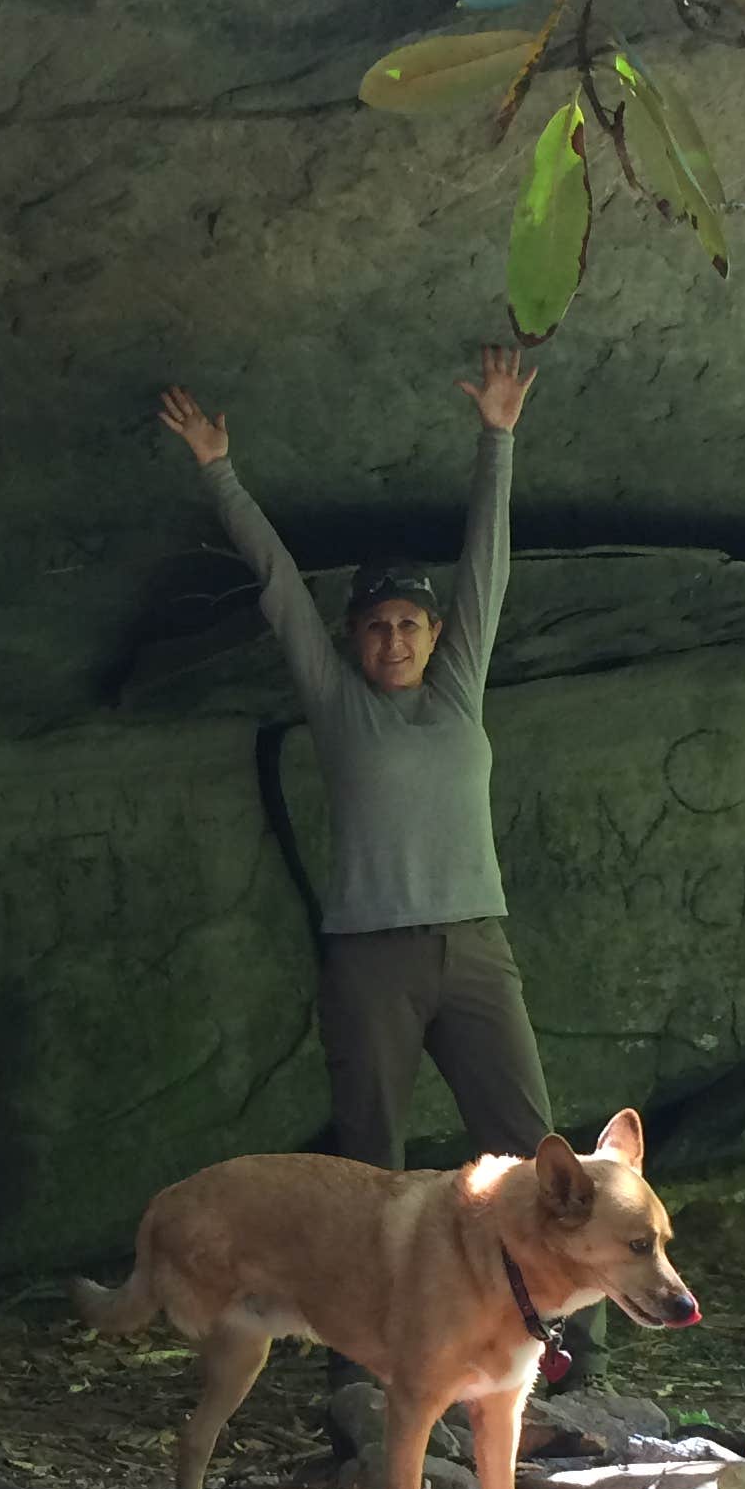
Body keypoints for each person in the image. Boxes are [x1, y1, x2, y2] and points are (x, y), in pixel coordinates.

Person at [156, 347, 606, 1388]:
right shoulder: (338, 703)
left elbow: (487, 569)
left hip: (475, 948)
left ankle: (564, 1350)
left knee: (532, 1146)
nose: (394, 641)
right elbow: (277, 587)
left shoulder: (457, 691)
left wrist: (498, 437)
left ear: (435, 635)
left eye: (409, 625)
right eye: (376, 628)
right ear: (354, 640)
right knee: (369, 1166)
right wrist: (218, 468)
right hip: (369, 961)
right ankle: (366, 1370)